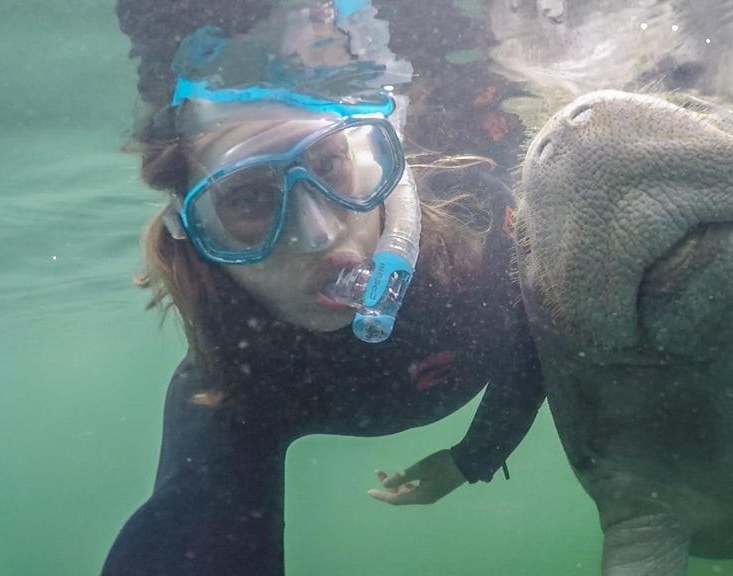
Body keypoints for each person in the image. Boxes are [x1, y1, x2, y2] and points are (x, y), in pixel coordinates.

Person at [102, 2, 545, 575]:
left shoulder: (481, 219)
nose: (319, 235)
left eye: (331, 164)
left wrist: (472, 458)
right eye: (249, 198)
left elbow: (539, 342)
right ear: (198, 237)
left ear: (379, 155)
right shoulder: (233, 381)